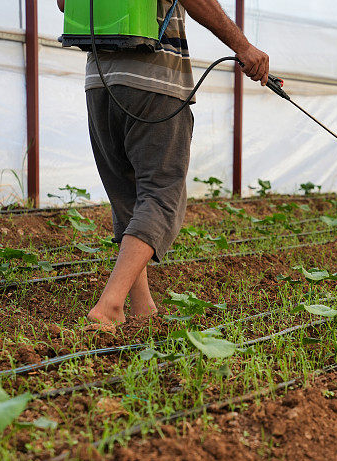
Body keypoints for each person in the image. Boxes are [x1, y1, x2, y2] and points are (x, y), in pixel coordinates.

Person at [56, 0, 269, 326]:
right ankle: (109, 306)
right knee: (161, 195)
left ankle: (143, 308)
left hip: (100, 80)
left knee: (128, 194)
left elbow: (63, 4)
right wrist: (243, 47)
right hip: (154, 79)